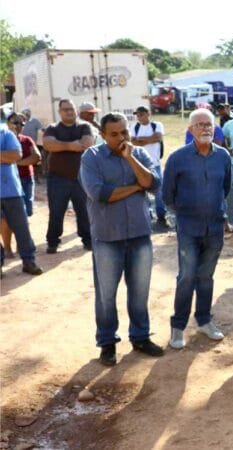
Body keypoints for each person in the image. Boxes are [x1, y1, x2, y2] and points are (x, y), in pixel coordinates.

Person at [80, 112, 165, 366]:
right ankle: (107, 343)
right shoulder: (91, 157)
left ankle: (140, 337)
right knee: (106, 295)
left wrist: (130, 160)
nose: (121, 138)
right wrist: (136, 187)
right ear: (103, 136)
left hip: (139, 235)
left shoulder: (137, 154)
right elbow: (100, 193)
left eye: (124, 132)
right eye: (114, 134)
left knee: (139, 291)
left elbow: (153, 183)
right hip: (107, 237)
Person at [162, 109, 231, 349]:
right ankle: (178, 326)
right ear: (190, 130)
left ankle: (204, 320)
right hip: (188, 228)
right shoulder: (177, 158)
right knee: (187, 276)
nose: (205, 129)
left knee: (206, 277)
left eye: (209, 125)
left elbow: (226, 188)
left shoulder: (222, 156)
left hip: (214, 227)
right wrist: (185, 213)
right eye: (200, 125)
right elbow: (167, 195)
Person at [42, 99, 93, 254]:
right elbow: (49, 144)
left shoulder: (84, 127)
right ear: (60, 112)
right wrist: (72, 145)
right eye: (65, 109)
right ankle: (53, 242)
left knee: (84, 211)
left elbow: (87, 143)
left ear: (75, 110)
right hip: (57, 178)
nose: (69, 112)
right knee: (56, 212)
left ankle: (88, 240)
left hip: (81, 178)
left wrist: (61, 145)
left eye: (71, 109)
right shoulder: (52, 128)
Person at [0, 127, 42, 275]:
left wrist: (7, 156)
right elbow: (9, 156)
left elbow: (16, 155)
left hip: (11, 190)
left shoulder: (5, 134)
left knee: (21, 228)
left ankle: (29, 262)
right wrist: (3, 156)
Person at [130, 105, 168, 229]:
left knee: (159, 191)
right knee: (142, 190)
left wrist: (142, 140)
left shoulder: (157, 125)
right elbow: (133, 142)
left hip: (155, 164)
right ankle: (148, 216)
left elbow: (158, 137)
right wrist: (149, 140)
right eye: (137, 115)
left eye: (141, 114)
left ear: (148, 114)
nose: (139, 117)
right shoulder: (134, 127)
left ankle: (161, 216)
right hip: (140, 165)